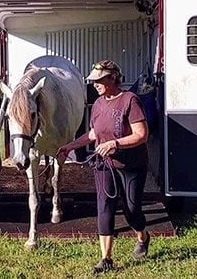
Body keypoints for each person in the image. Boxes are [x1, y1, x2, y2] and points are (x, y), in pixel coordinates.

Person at [57, 60, 150, 273]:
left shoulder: (130, 100)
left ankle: (143, 237)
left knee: (132, 209)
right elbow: (93, 134)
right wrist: (70, 146)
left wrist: (115, 143)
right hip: (104, 165)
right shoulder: (98, 104)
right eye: (93, 81)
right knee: (105, 207)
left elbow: (141, 135)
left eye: (99, 80)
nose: (95, 84)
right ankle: (106, 259)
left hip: (131, 165)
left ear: (113, 78)